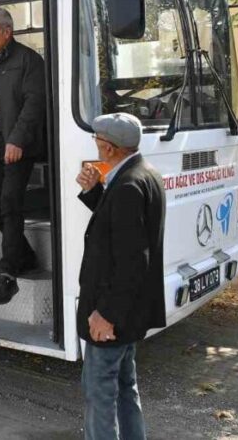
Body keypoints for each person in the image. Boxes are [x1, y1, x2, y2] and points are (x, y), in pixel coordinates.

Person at [75, 113, 165, 440]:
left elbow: (131, 261)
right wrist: (93, 192)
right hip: (131, 315)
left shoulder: (127, 185)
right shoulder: (143, 173)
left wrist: (107, 315)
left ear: (110, 147)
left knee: (100, 395)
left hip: (113, 317)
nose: (96, 148)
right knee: (127, 389)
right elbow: (120, 230)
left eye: (98, 142)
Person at [0, 7, 46, 305]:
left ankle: (8, 276)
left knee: (9, 203)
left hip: (17, 143)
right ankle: (26, 256)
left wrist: (16, 139)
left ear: (7, 31)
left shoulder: (29, 60)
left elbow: (34, 105)